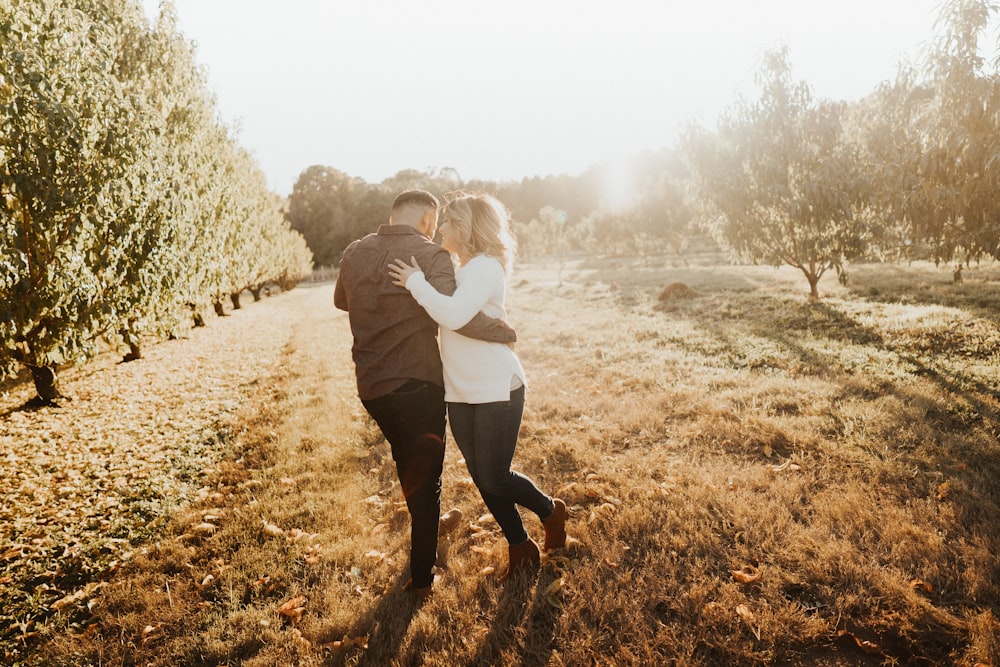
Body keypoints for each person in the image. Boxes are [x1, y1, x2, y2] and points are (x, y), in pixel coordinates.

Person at [334, 189, 516, 600]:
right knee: (427, 478)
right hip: (417, 383)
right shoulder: (431, 255)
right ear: (425, 220)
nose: (436, 234)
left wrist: (379, 308)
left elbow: (341, 301)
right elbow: (458, 316)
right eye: (436, 225)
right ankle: (421, 581)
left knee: (407, 460)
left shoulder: (354, 252)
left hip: (372, 386)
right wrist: (503, 331)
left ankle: (428, 525)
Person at [388, 191, 567, 579]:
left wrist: (415, 281)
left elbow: (452, 314)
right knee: (482, 475)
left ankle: (551, 512)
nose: (442, 228)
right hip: (460, 390)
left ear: (467, 228)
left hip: (496, 387)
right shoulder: (459, 268)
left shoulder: (486, 267)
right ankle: (521, 546)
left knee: (494, 475)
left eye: (449, 222)